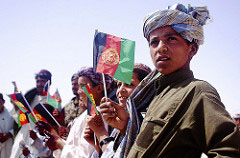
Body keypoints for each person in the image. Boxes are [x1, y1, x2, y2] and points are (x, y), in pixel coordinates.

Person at [119, 4, 240, 158]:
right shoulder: (156, 94)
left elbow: (230, 151)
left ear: (192, 49)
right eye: (154, 42)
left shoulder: (198, 91)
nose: (161, 48)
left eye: (171, 39)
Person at [44, 67, 115, 158]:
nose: (79, 91)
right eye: (78, 86)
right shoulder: (87, 114)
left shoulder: (96, 114)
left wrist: (59, 143)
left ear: (99, 88)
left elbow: (87, 155)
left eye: (83, 86)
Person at [84, 63, 151, 157]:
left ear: (146, 87)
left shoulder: (148, 118)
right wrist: (98, 147)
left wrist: (101, 134)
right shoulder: (121, 118)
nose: (121, 90)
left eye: (129, 84)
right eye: (119, 85)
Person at [10, 69, 53, 158]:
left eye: (42, 81)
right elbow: (20, 118)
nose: (39, 84)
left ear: (49, 83)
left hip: (39, 140)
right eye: (38, 81)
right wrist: (16, 105)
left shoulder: (52, 101)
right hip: (23, 136)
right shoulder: (29, 97)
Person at [0, 93, 14, 158]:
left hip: (9, 146)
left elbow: (18, 128)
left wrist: (9, 134)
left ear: (3, 101)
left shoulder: (11, 112)